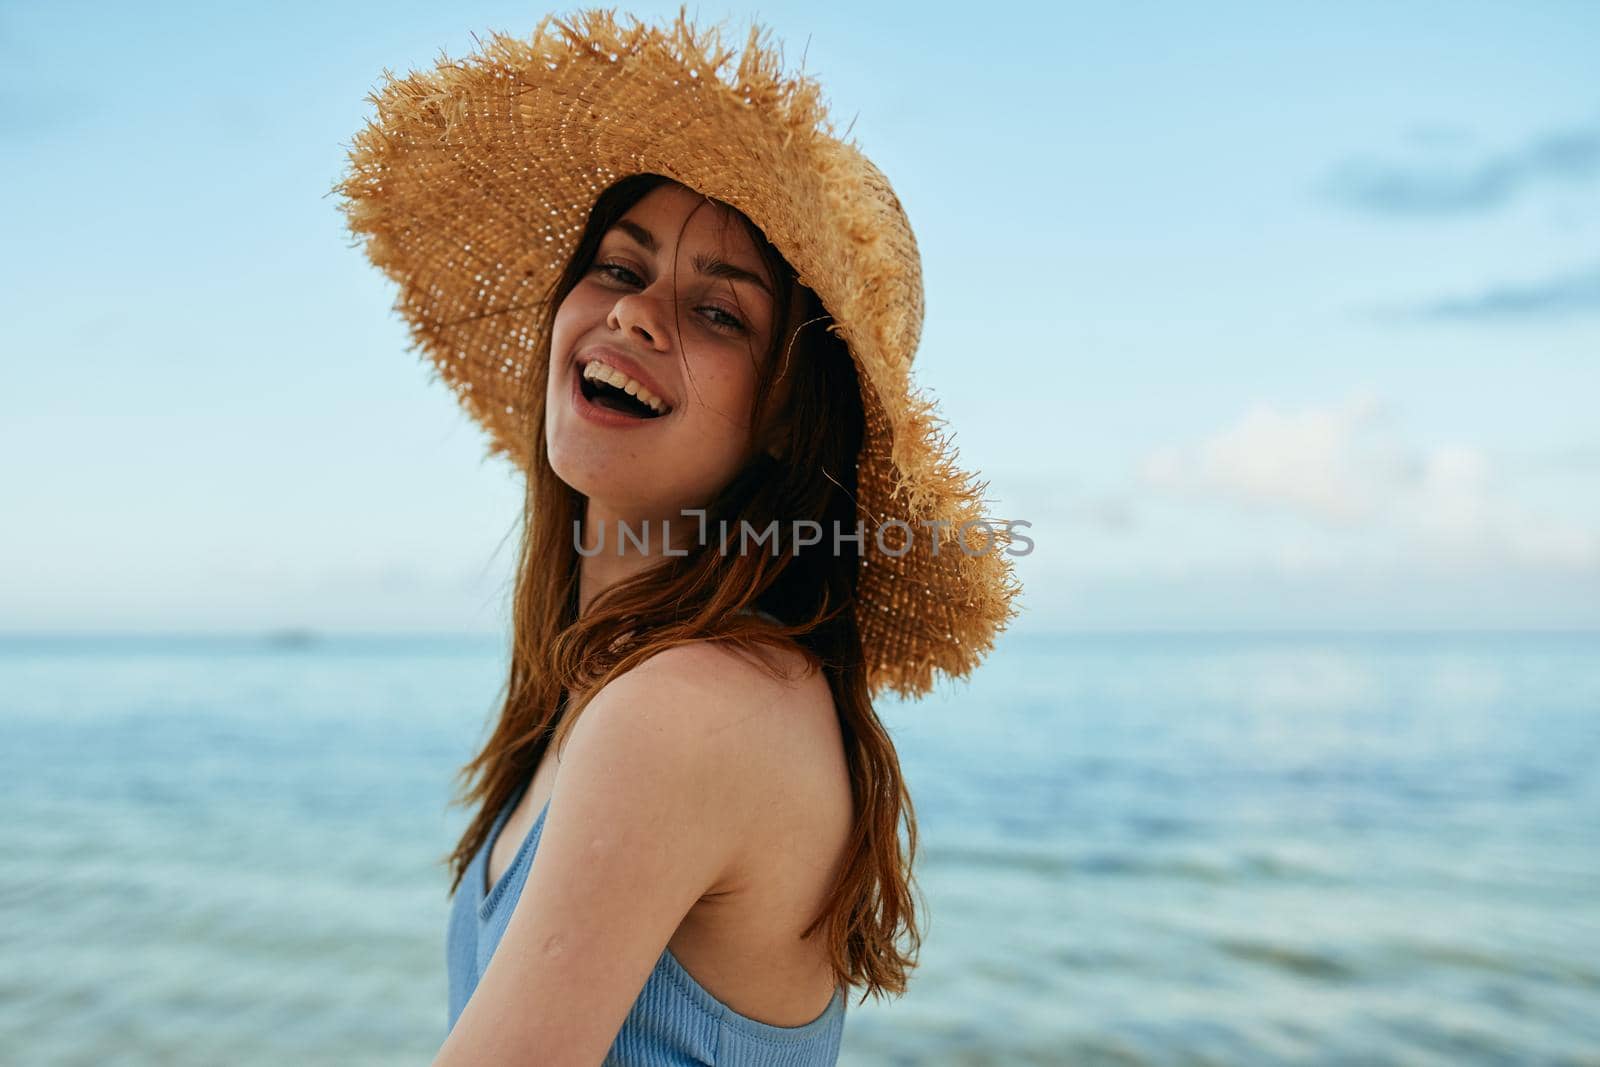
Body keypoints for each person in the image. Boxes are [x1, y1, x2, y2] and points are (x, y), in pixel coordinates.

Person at [335, 8, 1022, 1064]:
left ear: (790, 424)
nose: (637, 315)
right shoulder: (617, 688)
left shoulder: (681, 711)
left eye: (718, 313)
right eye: (618, 267)